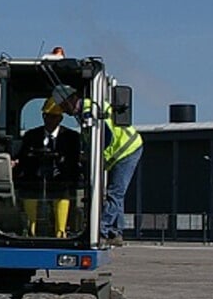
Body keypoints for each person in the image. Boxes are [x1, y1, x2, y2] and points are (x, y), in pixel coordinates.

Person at [49, 87, 144, 246]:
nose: (65, 112)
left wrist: (92, 156)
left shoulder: (90, 110)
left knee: (115, 193)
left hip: (127, 149)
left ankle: (102, 230)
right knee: (116, 193)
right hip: (120, 152)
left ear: (72, 99)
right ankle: (116, 232)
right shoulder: (85, 111)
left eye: (65, 107)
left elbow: (106, 137)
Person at [14, 88, 83, 237]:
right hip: (35, 178)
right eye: (47, 116)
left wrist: (61, 161)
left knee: (63, 193)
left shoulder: (71, 137)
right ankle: (30, 229)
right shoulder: (31, 135)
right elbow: (22, 157)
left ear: (60, 118)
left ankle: (61, 231)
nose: (49, 120)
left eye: (53, 117)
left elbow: (74, 160)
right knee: (29, 190)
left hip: (61, 179)